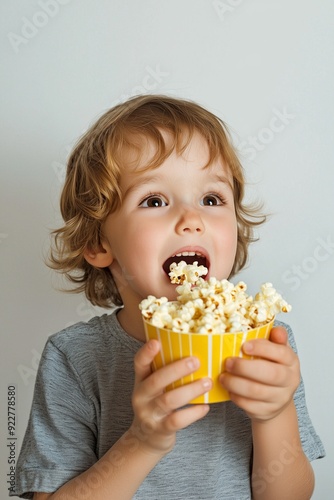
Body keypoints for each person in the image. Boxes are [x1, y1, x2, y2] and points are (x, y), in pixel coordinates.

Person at [12, 95, 325, 499]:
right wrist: (142, 441)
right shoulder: (76, 357)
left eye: (211, 199)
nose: (191, 220)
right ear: (97, 243)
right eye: (154, 200)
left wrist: (275, 415)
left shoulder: (265, 343)